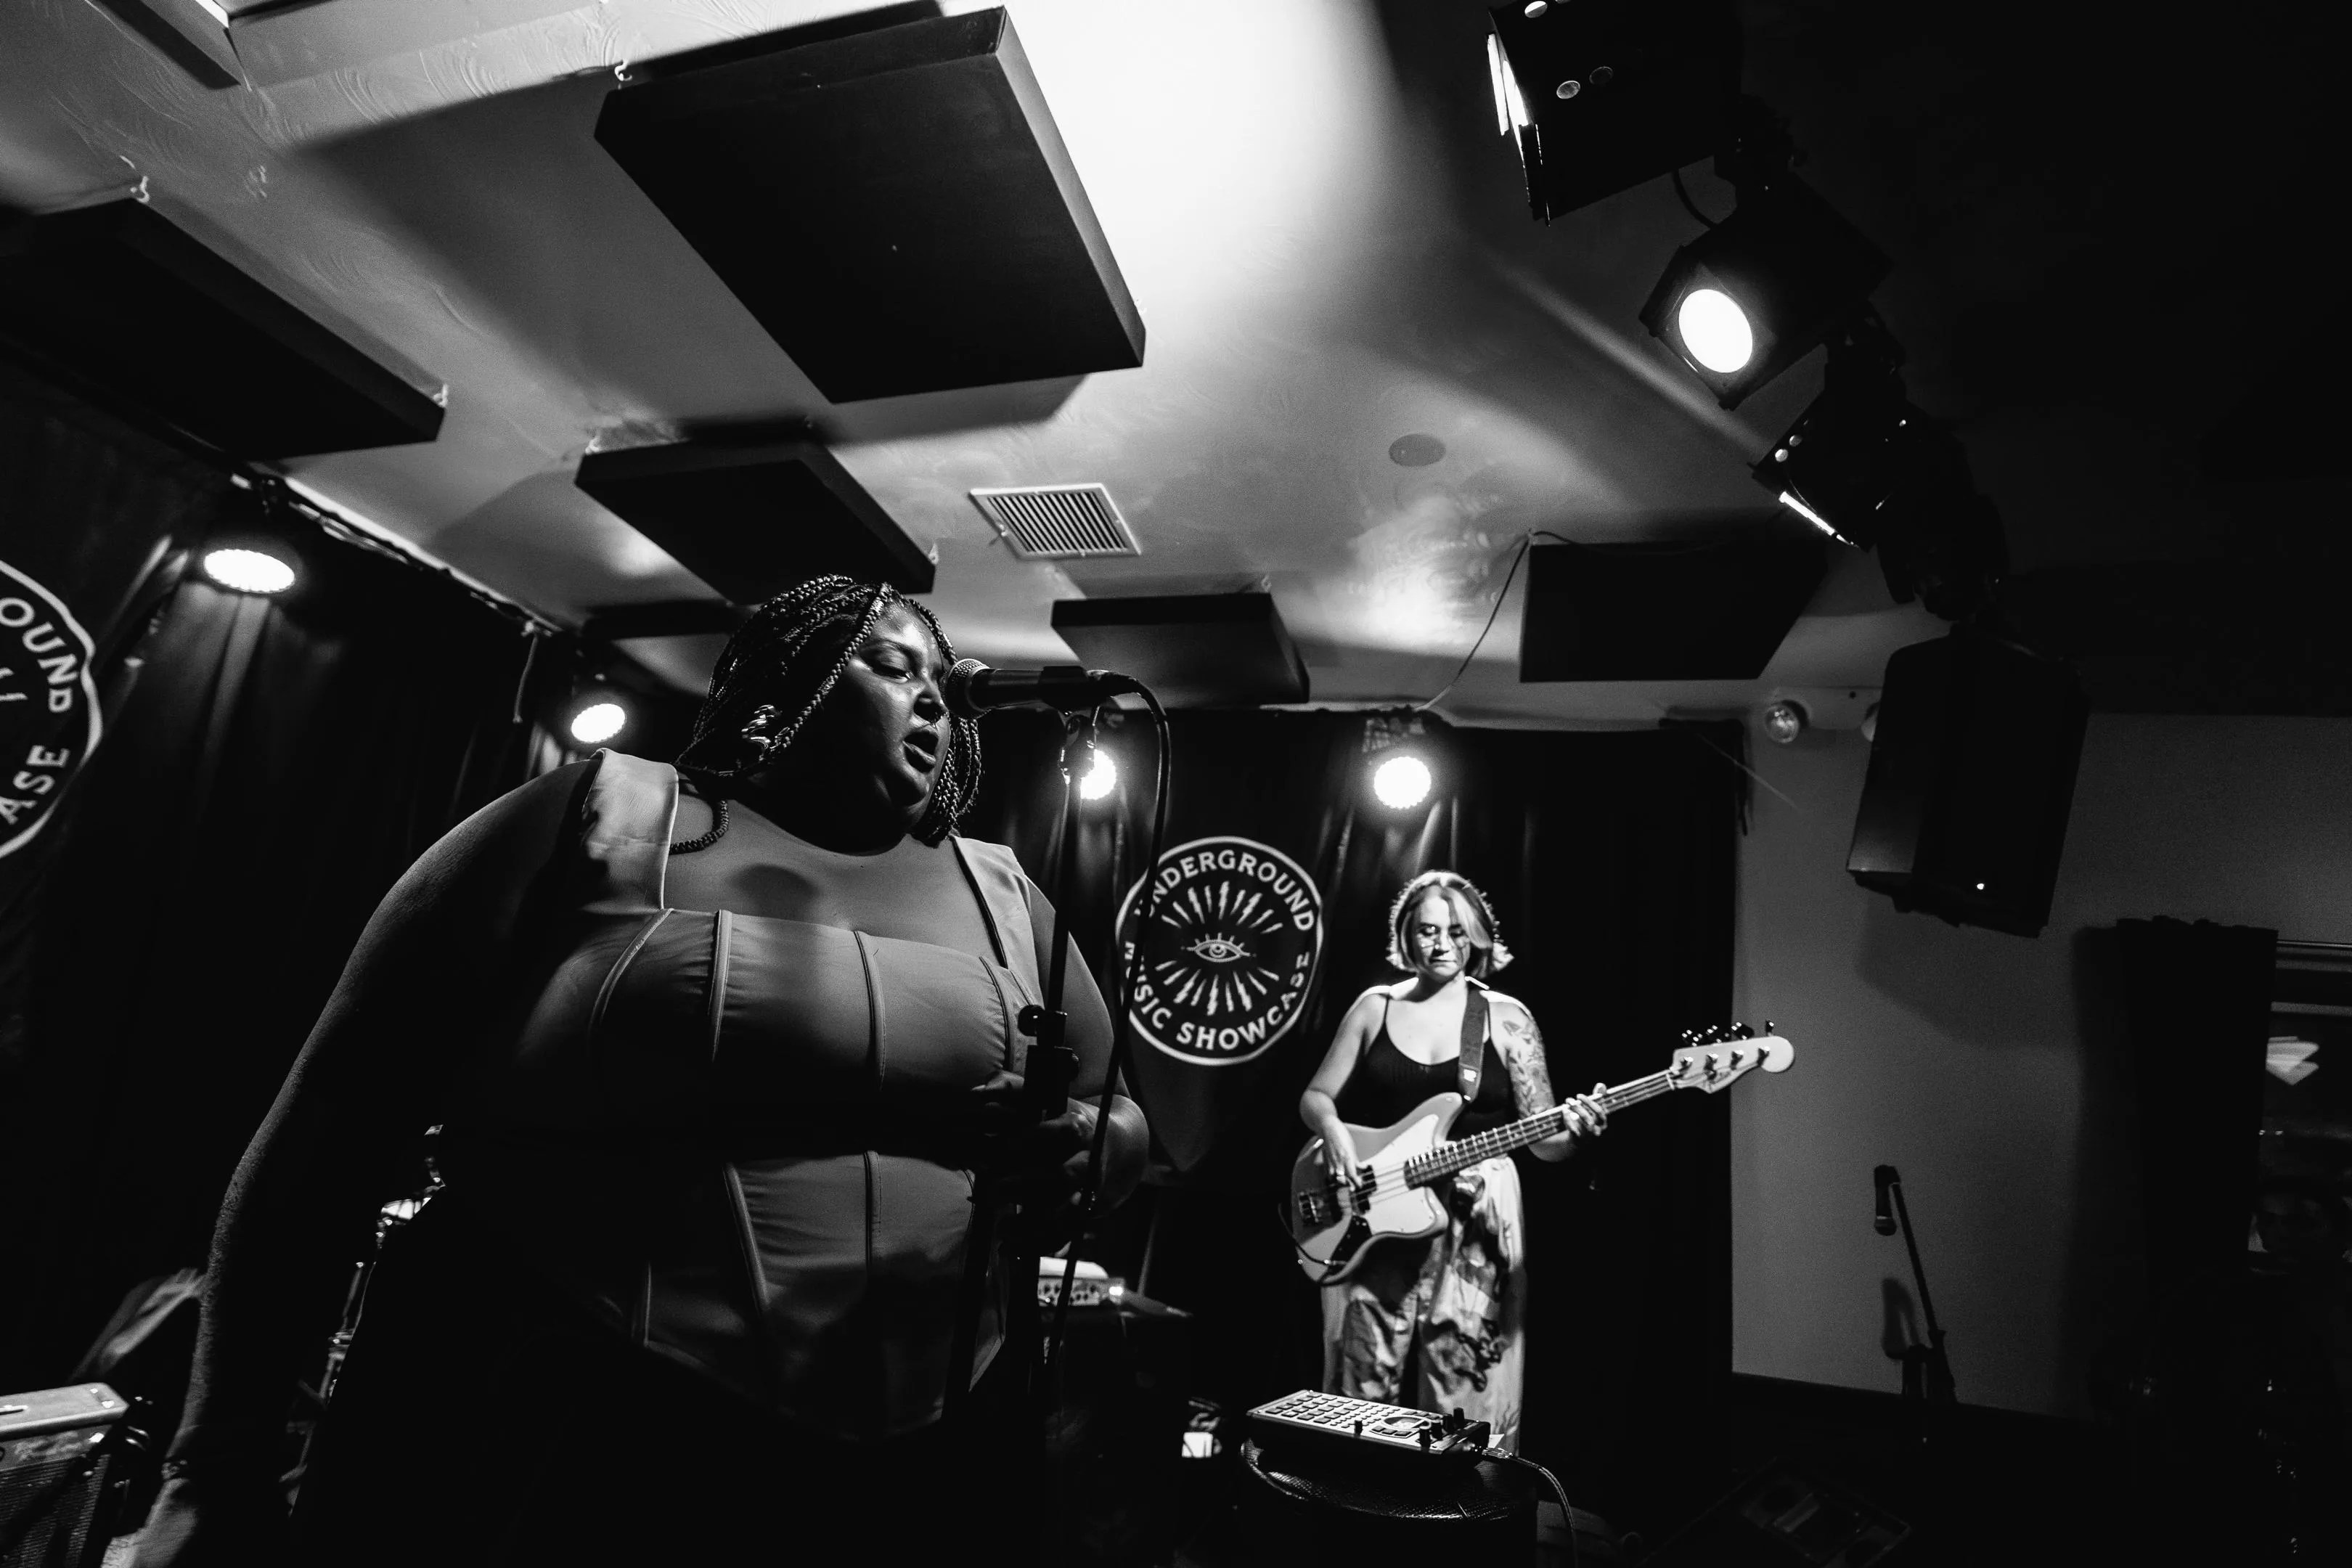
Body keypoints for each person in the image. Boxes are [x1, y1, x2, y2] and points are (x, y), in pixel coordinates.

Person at [136, 576, 1148, 1565]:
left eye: (940, 678)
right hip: (560, 1415)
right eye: (891, 665)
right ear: (777, 691)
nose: (935, 697)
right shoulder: (598, 812)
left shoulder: (1004, 890)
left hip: (924, 1464)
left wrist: (1090, 1153)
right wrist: (214, 1466)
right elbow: (331, 1123)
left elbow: (1115, 1108)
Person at [1297, 870, 1602, 1453]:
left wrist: (1578, 1135)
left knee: (1468, 1392)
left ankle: (1462, 1505)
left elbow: (1544, 1138)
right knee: (1357, 1385)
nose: (1441, 944)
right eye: (1427, 930)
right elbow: (1316, 1096)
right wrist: (1333, 1132)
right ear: (1405, 935)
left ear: (1477, 938)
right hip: (1376, 1211)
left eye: (1456, 932)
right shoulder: (1375, 1007)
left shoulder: (1507, 1018)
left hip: (1476, 1211)